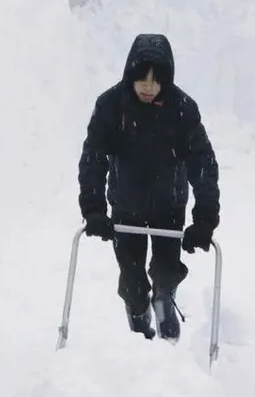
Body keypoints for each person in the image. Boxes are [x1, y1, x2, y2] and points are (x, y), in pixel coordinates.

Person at [77, 33, 220, 342]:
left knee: (166, 270)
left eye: (156, 80)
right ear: (131, 74)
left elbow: (203, 163)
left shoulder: (182, 109)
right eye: (142, 78)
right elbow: (93, 158)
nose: (148, 86)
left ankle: (164, 298)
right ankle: (138, 312)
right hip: (125, 206)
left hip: (169, 205)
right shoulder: (111, 106)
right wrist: (94, 210)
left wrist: (205, 219)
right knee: (131, 278)